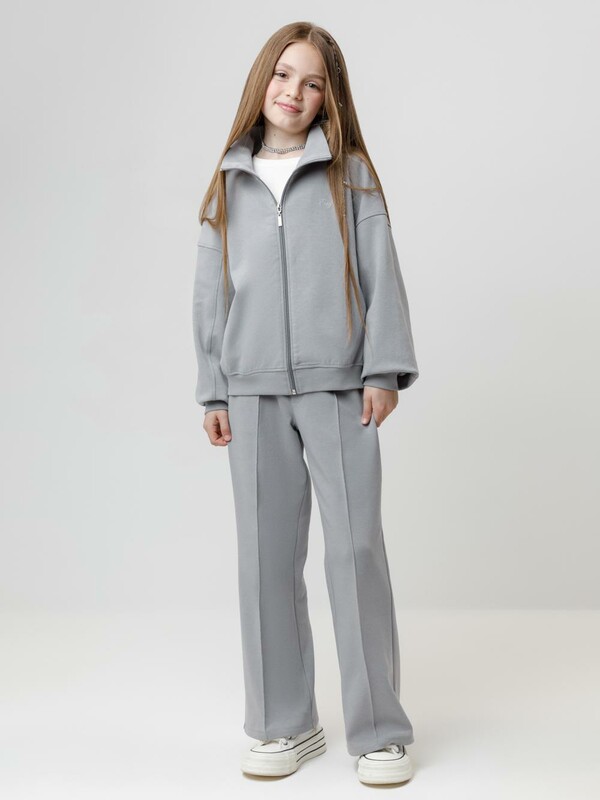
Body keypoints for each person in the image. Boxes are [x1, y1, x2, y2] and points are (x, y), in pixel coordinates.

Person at [192, 21, 419, 786]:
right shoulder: (229, 180)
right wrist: (213, 386)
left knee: (355, 553)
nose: (294, 91)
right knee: (264, 562)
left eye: (313, 82)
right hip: (251, 391)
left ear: (329, 98)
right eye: (284, 74)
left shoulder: (350, 175)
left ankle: (380, 730)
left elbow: (380, 269)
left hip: (339, 386)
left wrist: (383, 369)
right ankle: (284, 724)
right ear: (262, 80)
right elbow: (211, 293)